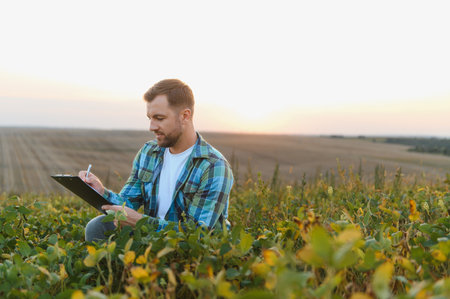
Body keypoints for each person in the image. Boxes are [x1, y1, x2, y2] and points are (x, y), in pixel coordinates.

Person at [80, 79, 234, 242]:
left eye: (159, 118)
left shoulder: (213, 166)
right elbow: (128, 203)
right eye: (150, 118)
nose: (151, 127)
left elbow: (199, 233)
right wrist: (102, 192)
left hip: (192, 252)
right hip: (150, 238)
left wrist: (141, 222)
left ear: (185, 116)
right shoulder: (149, 152)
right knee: (97, 226)